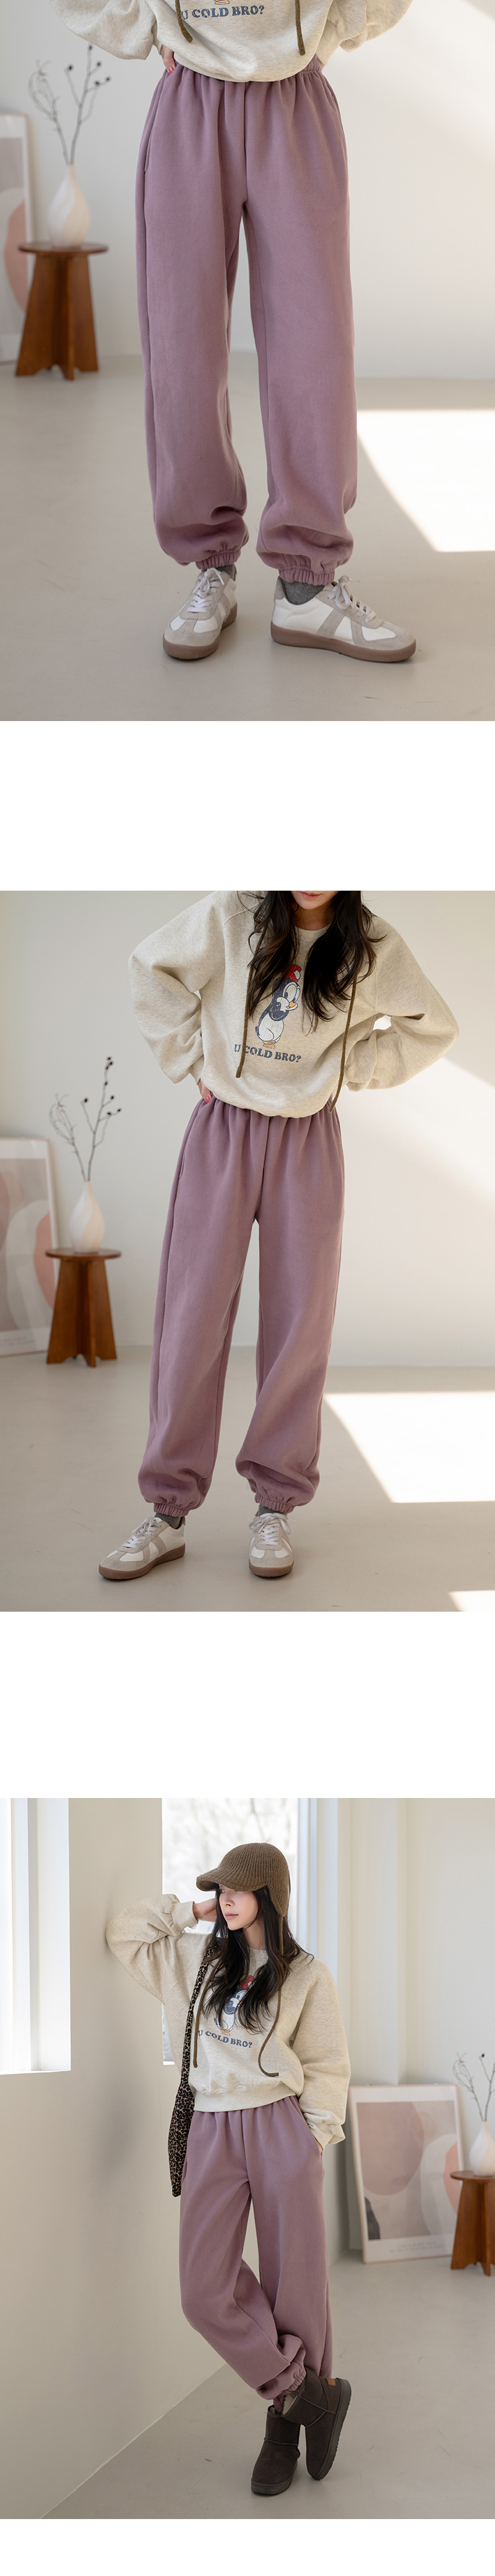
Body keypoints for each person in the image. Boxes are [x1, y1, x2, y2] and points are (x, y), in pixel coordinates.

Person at [98, 887, 458, 1584]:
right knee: (191, 1316)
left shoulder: (371, 945)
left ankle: (274, 1506)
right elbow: (151, 966)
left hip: (308, 1139)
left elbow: (432, 1026)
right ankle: (167, 1512)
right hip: (224, 1130)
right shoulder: (230, 914)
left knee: (301, 1324)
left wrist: (348, 1067)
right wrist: (191, 1059)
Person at [50, 0, 416, 667]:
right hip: (190, 101)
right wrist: (148, 26)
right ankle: (210, 567)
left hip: (295, 99)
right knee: (182, 351)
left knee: (315, 352)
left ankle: (307, 586)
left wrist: (331, 29)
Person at [105, 1839, 352, 2497]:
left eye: (237, 1889)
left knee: (296, 2285)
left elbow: (327, 2063)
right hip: (212, 2125)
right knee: (203, 2289)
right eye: (219, 1889)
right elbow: (125, 1934)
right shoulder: (196, 1958)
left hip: (279, 2126)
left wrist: (312, 2135)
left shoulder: (306, 1975)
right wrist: (191, 1909)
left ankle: (283, 2431)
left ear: (269, 1894)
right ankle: (310, 2394)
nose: (226, 1899)